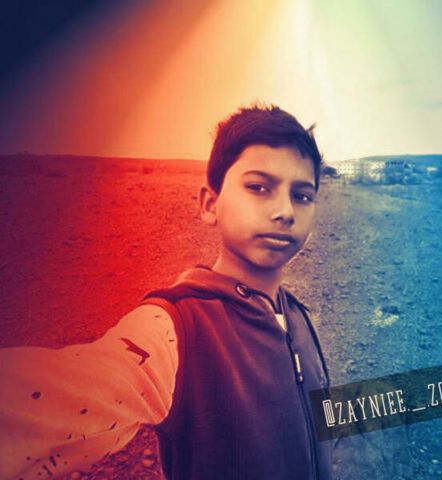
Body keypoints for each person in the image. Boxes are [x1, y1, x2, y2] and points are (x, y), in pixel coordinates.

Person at [0, 104, 333, 480]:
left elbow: (316, 419)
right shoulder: (175, 326)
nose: (285, 211)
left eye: (302, 196)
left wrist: (391, 400)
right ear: (210, 204)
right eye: (259, 187)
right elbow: (59, 395)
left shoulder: (297, 315)